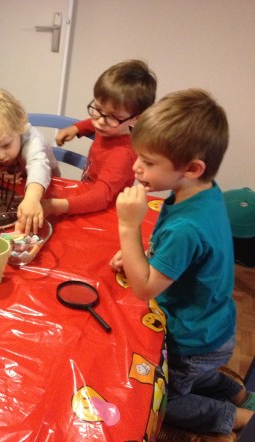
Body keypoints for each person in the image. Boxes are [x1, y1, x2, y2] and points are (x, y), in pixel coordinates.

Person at [110, 89, 254, 438]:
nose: (136, 167)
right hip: (211, 328)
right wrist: (139, 255)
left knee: (161, 400)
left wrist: (128, 229)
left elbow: (144, 288)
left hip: (192, 338)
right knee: (194, 374)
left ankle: (234, 417)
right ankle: (239, 392)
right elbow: (181, 252)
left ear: (191, 168)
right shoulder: (202, 191)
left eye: (148, 161)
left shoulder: (187, 227)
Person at [42, 59, 156, 216]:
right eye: (98, 108)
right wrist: (77, 128)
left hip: (101, 210)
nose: (100, 122)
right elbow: (95, 122)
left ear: (136, 118)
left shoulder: (121, 155)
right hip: (86, 192)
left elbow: (100, 198)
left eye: (113, 116)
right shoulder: (110, 127)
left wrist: (55, 206)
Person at [0, 88, 60, 234]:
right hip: (11, 192)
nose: (0, 156)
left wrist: (32, 198)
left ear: (19, 129)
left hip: (45, 187)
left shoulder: (33, 141)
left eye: (6, 145)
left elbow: (38, 166)